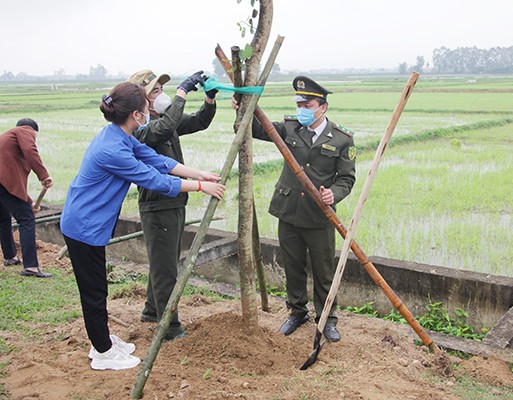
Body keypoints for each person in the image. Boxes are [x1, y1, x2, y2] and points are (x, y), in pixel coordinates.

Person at [60, 82, 225, 371]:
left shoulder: (121, 135)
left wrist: (199, 173)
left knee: (97, 289)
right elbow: (154, 179)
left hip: (90, 222)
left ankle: (104, 340)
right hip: (83, 225)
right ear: (136, 115)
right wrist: (199, 187)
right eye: (147, 106)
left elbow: (157, 160)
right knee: (94, 292)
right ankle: (102, 351)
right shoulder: (113, 150)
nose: (152, 107)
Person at [250, 76, 356, 342]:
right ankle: (297, 313)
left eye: (307, 104)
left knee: (323, 270)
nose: (302, 109)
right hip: (289, 211)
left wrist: (335, 194)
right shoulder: (289, 128)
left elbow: (347, 178)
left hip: (319, 215)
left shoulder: (342, 139)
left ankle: (327, 318)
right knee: (293, 266)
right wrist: (244, 106)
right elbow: (254, 129)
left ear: (322, 107)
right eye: (299, 104)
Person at [126, 69, 218, 340]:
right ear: (140, 101)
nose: (161, 95)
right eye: (155, 91)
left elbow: (199, 122)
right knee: (167, 268)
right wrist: (181, 93)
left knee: (163, 262)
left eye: (161, 90)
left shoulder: (164, 120)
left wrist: (209, 101)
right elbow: (164, 128)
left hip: (174, 200)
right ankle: (169, 326)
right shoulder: (142, 130)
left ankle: (152, 310)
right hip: (158, 205)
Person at [0, 118, 53, 278]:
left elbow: (14, 184)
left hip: (2, 182)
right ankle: (31, 266)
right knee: (27, 220)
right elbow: (30, 150)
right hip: (3, 180)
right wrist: (43, 175)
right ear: (33, 131)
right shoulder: (24, 130)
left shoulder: (7, 138)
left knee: (3, 219)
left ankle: (10, 257)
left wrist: (29, 202)